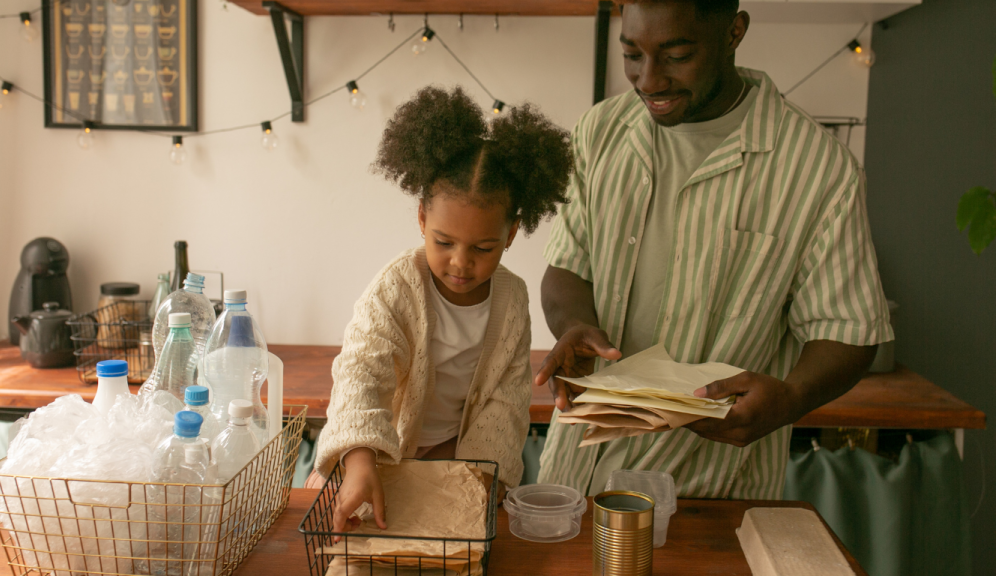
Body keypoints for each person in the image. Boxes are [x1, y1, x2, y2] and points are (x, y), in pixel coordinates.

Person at [535, 0, 893, 499]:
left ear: (734, 32)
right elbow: (567, 269)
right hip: (573, 481)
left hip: (710, 493)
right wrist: (573, 324)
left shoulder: (818, 168)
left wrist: (791, 398)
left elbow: (849, 329)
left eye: (676, 55)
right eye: (632, 54)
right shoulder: (599, 132)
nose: (649, 80)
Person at [311, 86, 574, 534]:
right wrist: (358, 459)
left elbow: (505, 403)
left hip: (459, 462)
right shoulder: (395, 288)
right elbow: (360, 376)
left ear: (511, 234)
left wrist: (478, 476)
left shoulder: (512, 301)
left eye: (484, 247)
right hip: (378, 457)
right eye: (443, 242)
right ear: (421, 219)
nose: (460, 262)